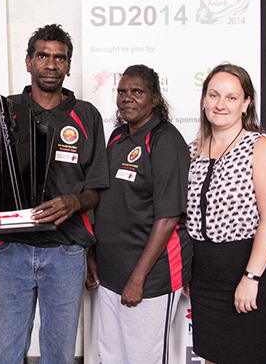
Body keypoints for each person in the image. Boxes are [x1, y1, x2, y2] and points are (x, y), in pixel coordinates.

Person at [0, 24, 109, 363]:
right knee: (3, 353)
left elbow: (96, 188)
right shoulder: (3, 109)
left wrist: (74, 201)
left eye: (60, 58)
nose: (51, 64)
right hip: (13, 248)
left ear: (69, 66)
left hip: (66, 252)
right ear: (28, 62)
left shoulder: (86, 115)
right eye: (43, 55)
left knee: (59, 354)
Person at [86, 64, 191, 363]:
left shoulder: (165, 140)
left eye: (137, 92)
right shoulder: (117, 137)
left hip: (149, 276)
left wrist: (138, 278)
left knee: (141, 357)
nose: (127, 98)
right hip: (110, 273)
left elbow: (169, 216)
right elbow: (106, 203)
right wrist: (93, 256)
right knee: (111, 354)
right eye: (122, 92)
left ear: (154, 99)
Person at [186, 63, 266, 364]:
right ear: (204, 100)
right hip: (205, 276)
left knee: (250, 356)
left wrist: (251, 277)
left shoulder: (261, 147)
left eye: (231, 97)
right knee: (213, 357)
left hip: (247, 268)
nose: (220, 104)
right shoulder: (193, 150)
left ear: (246, 103)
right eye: (214, 95)